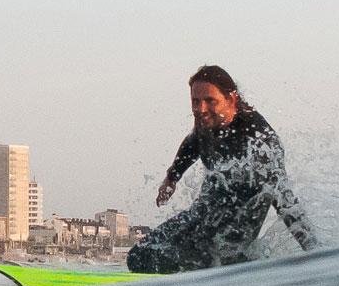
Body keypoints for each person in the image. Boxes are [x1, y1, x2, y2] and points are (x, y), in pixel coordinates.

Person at [128, 65, 319, 273]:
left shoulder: (258, 140)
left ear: (232, 100)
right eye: (195, 101)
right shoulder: (206, 123)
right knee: (140, 255)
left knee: (165, 260)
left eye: (210, 101)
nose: (200, 109)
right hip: (202, 215)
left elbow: (283, 198)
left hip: (231, 235)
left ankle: (237, 270)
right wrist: (172, 177)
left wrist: (314, 251)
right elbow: (192, 143)